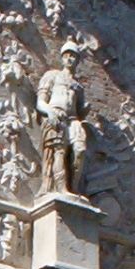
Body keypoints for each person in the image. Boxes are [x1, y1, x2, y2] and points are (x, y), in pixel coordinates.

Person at [37, 42, 90, 194]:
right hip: (56, 116)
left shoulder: (78, 87)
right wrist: (50, 112)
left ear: (77, 60)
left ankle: (74, 187)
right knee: (58, 152)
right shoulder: (52, 76)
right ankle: (61, 188)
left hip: (73, 121)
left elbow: (79, 110)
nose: (69, 59)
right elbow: (40, 102)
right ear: (62, 58)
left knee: (80, 150)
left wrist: (85, 111)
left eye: (73, 56)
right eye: (66, 55)